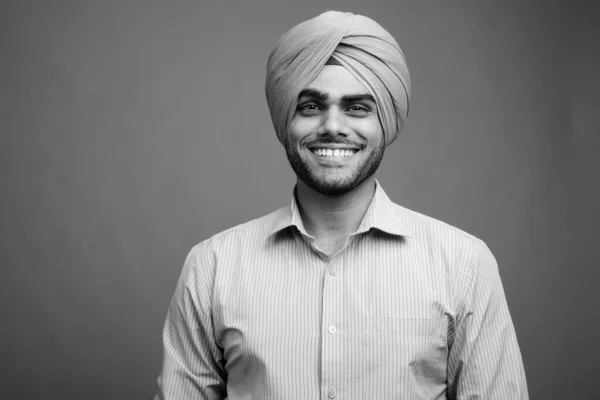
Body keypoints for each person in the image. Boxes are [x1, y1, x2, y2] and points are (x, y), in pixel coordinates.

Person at [155, 10, 528, 400]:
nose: (333, 126)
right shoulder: (212, 266)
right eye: (311, 107)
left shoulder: (464, 265)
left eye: (357, 107)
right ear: (286, 121)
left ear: (385, 121)